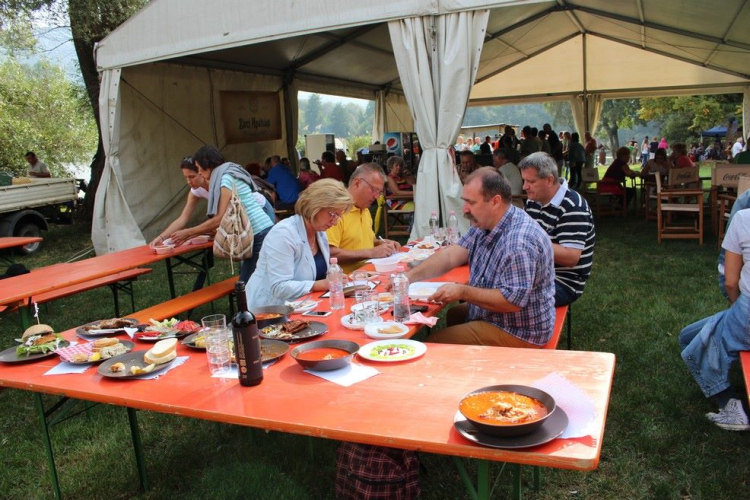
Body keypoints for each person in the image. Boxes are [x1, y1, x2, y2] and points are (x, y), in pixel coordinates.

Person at [402, 167, 555, 348]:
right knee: (454, 315)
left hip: (521, 330)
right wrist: (409, 277)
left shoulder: (518, 242)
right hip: (507, 317)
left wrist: (461, 292)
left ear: (495, 201)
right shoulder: (486, 222)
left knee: (433, 345)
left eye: (471, 202)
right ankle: (467, 367)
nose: (465, 209)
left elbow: (512, 302)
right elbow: (451, 255)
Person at [679, 208, 750, 431]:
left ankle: (730, 407)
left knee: (702, 345)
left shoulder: (743, 218)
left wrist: (736, 308)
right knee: (688, 335)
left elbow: (730, 282)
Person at [171, 145, 274, 283]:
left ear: (208, 165)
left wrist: (189, 232)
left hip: (258, 233)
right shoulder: (229, 172)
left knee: (247, 284)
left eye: (200, 168)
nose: (199, 172)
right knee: (259, 281)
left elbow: (219, 218)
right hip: (264, 229)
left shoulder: (225, 179)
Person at [246, 179, 353, 308]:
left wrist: (335, 278)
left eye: (338, 216)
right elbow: (279, 287)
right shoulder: (283, 234)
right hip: (267, 312)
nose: (335, 222)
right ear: (315, 206)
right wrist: (322, 284)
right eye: (332, 214)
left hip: (302, 307)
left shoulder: (319, 232)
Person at [520, 152, 595, 306]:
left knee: (505, 298)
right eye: (524, 180)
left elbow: (571, 258)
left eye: (531, 181)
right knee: (488, 285)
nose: (524, 186)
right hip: (536, 274)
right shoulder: (534, 200)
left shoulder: (573, 207)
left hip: (563, 283)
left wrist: (532, 239)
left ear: (549, 180)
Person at [327, 163, 401, 273]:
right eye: (374, 189)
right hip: (346, 280)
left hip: (370, 274)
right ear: (357, 183)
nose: (376, 196)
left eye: (379, 192)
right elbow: (330, 253)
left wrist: (383, 243)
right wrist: (371, 253)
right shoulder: (337, 211)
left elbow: (364, 241)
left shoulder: (364, 209)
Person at [149, 157, 210, 248]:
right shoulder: (195, 191)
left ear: (201, 172)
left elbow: (218, 219)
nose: (189, 182)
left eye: (192, 177)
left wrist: (189, 233)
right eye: (186, 177)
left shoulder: (218, 185)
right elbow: (183, 218)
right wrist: (161, 237)